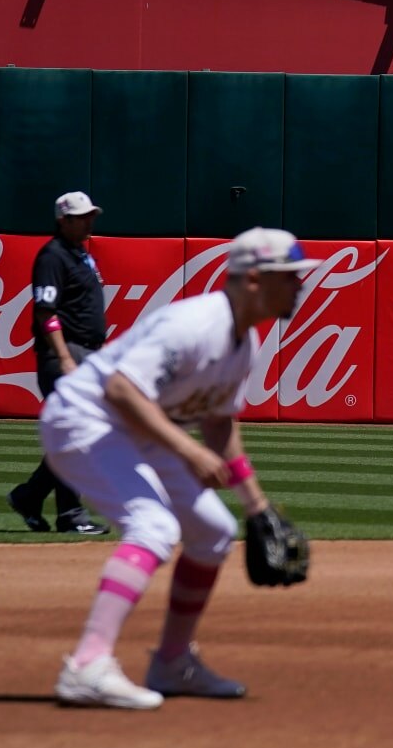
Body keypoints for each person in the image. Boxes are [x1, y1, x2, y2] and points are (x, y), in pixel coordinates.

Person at [41, 228, 318, 708]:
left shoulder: (243, 342)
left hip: (136, 431)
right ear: (254, 279)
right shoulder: (195, 325)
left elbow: (218, 423)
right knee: (153, 526)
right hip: (83, 420)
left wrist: (257, 506)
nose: (299, 286)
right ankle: (87, 664)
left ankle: (171, 662)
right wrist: (188, 453)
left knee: (213, 530)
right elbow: (122, 390)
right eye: (289, 277)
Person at [5, 193, 112, 537]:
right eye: (81, 217)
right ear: (63, 220)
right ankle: (69, 514)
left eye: (90, 215)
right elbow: (45, 311)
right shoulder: (53, 256)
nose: (89, 221)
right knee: (79, 434)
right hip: (66, 355)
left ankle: (30, 497)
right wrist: (65, 358)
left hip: (87, 353)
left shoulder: (80, 255)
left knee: (80, 435)